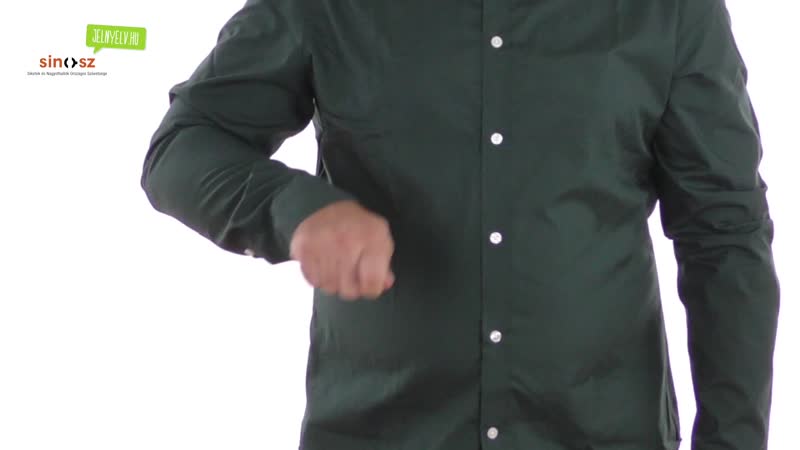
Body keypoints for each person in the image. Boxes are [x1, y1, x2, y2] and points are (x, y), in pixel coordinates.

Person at [140, 0, 781, 449]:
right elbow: (184, 145)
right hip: (378, 432)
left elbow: (724, 232)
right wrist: (295, 209)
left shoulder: (669, 9)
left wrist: (734, 440)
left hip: (600, 433)